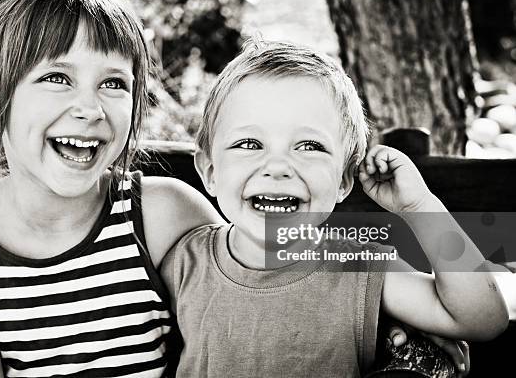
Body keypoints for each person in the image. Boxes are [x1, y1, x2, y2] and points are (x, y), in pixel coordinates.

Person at [0, 0, 222, 377]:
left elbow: (260, 296)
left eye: (113, 83)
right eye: (56, 78)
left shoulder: (163, 213)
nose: (91, 108)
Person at [160, 39, 508, 377]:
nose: (278, 166)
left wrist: (419, 206)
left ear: (344, 179)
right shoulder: (183, 263)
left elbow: (482, 318)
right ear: (210, 171)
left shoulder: (361, 267)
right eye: (249, 143)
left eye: (309, 146)